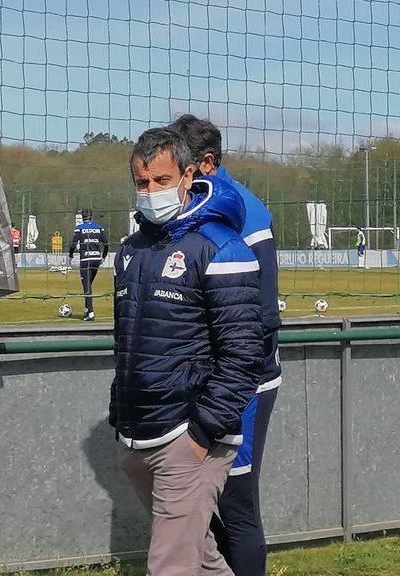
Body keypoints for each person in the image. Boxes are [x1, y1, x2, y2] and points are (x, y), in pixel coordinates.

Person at [112, 127, 263, 575]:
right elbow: (129, 344)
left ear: (189, 175)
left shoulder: (221, 246)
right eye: (143, 183)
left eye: (161, 181)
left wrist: (201, 434)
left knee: (170, 564)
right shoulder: (130, 252)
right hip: (138, 432)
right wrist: (120, 413)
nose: (151, 192)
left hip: (190, 435)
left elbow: (243, 355)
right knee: (199, 555)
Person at [170, 114, 279, 576]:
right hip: (199, 383)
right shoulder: (191, 213)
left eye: (181, 168)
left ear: (206, 164)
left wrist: (225, 386)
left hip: (241, 384)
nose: (172, 179)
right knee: (195, 498)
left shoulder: (248, 216)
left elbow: (262, 321)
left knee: (235, 500)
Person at [68, 208, 109, 321]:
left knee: (86, 286)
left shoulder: (79, 229)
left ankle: (90, 312)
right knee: (88, 285)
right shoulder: (99, 228)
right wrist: (103, 257)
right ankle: (87, 309)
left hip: (85, 260)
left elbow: (73, 244)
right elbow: (106, 244)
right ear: (92, 216)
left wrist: (70, 255)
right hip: (96, 259)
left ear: (82, 217)